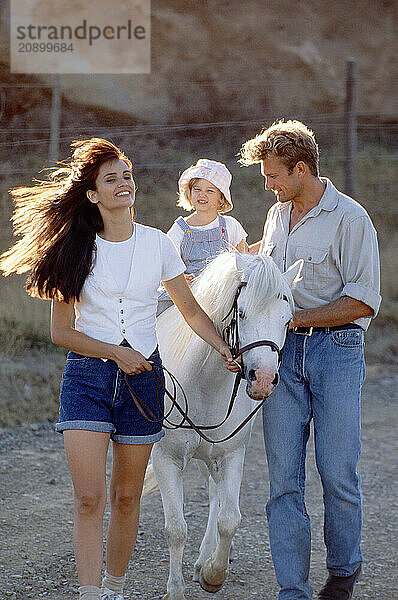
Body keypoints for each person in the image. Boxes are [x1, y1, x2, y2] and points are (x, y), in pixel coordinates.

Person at [0, 138, 239, 600]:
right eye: (111, 178)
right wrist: (114, 352)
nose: (123, 183)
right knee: (89, 498)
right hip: (88, 379)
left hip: (144, 382)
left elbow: (189, 310)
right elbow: (61, 332)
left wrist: (225, 349)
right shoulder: (74, 249)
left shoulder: (158, 245)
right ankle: (89, 593)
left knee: (128, 498)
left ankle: (114, 588)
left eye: (126, 175)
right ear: (92, 194)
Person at [239, 120, 381, 600]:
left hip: (336, 351)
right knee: (283, 479)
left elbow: (362, 301)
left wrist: (293, 321)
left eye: (273, 175)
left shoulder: (351, 219)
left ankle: (342, 574)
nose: (268, 185)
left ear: (301, 169)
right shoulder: (277, 215)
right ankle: (292, 590)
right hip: (283, 355)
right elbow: (266, 283)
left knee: (337, 473)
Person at [157, 158, 248, 314]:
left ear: (221, 197)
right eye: (197, 189)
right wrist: (179, 279)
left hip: (223, 296)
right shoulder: (180, 229)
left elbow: (244, 262)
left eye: (210, 191)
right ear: (189, 193)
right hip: (192, 297)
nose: (202, 195)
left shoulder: (230, 225)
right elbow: (164, 265)